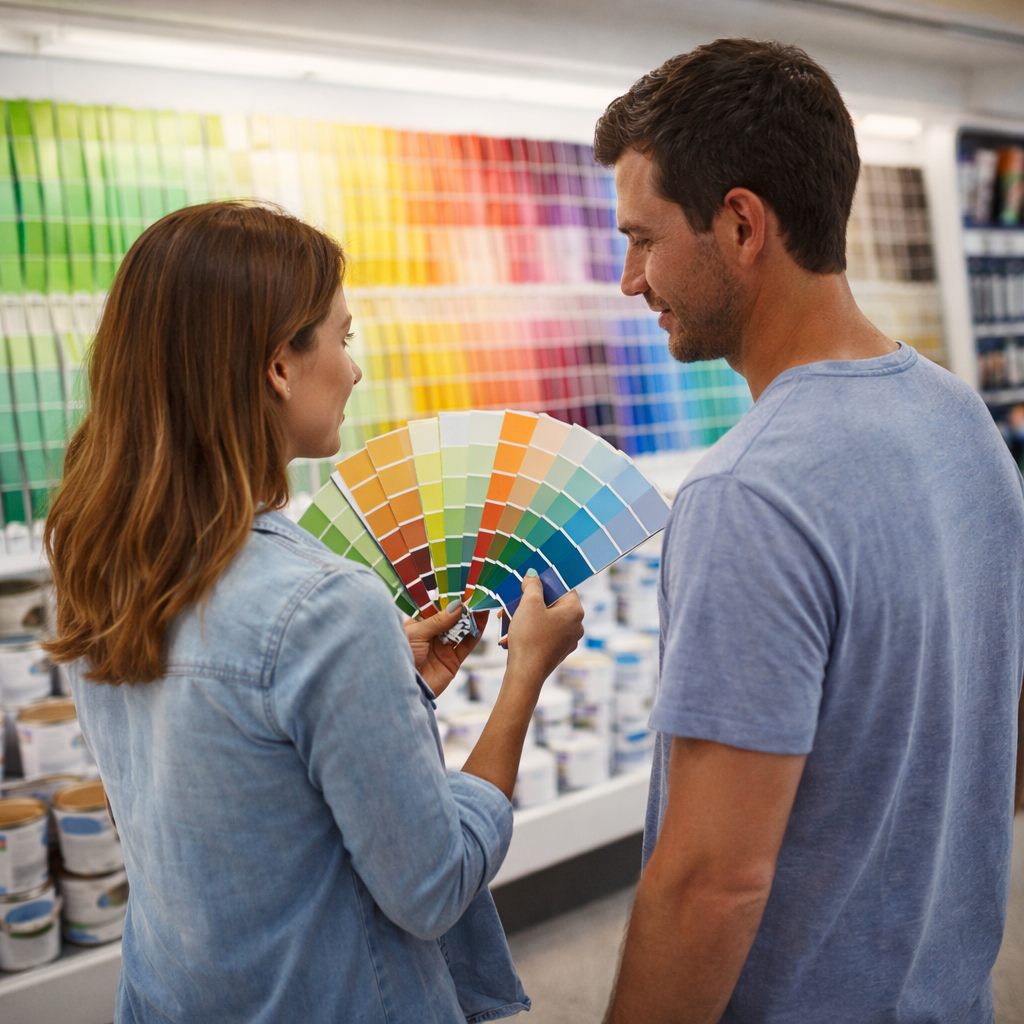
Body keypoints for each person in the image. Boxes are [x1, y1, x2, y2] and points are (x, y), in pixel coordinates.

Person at [43, 201, 584, 1024]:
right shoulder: (324, 606)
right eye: (343, 337)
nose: (354, 369)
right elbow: (433, 886)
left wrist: (386, 683)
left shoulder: (98, 566)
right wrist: (525, 678)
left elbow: (222, 792)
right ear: (279, 368)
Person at [593, 39, 1024, 1024]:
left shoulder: (748, 493)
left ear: (741, 224)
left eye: (644, 238)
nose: (630, 277)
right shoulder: (961, 420)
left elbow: (712, 882)